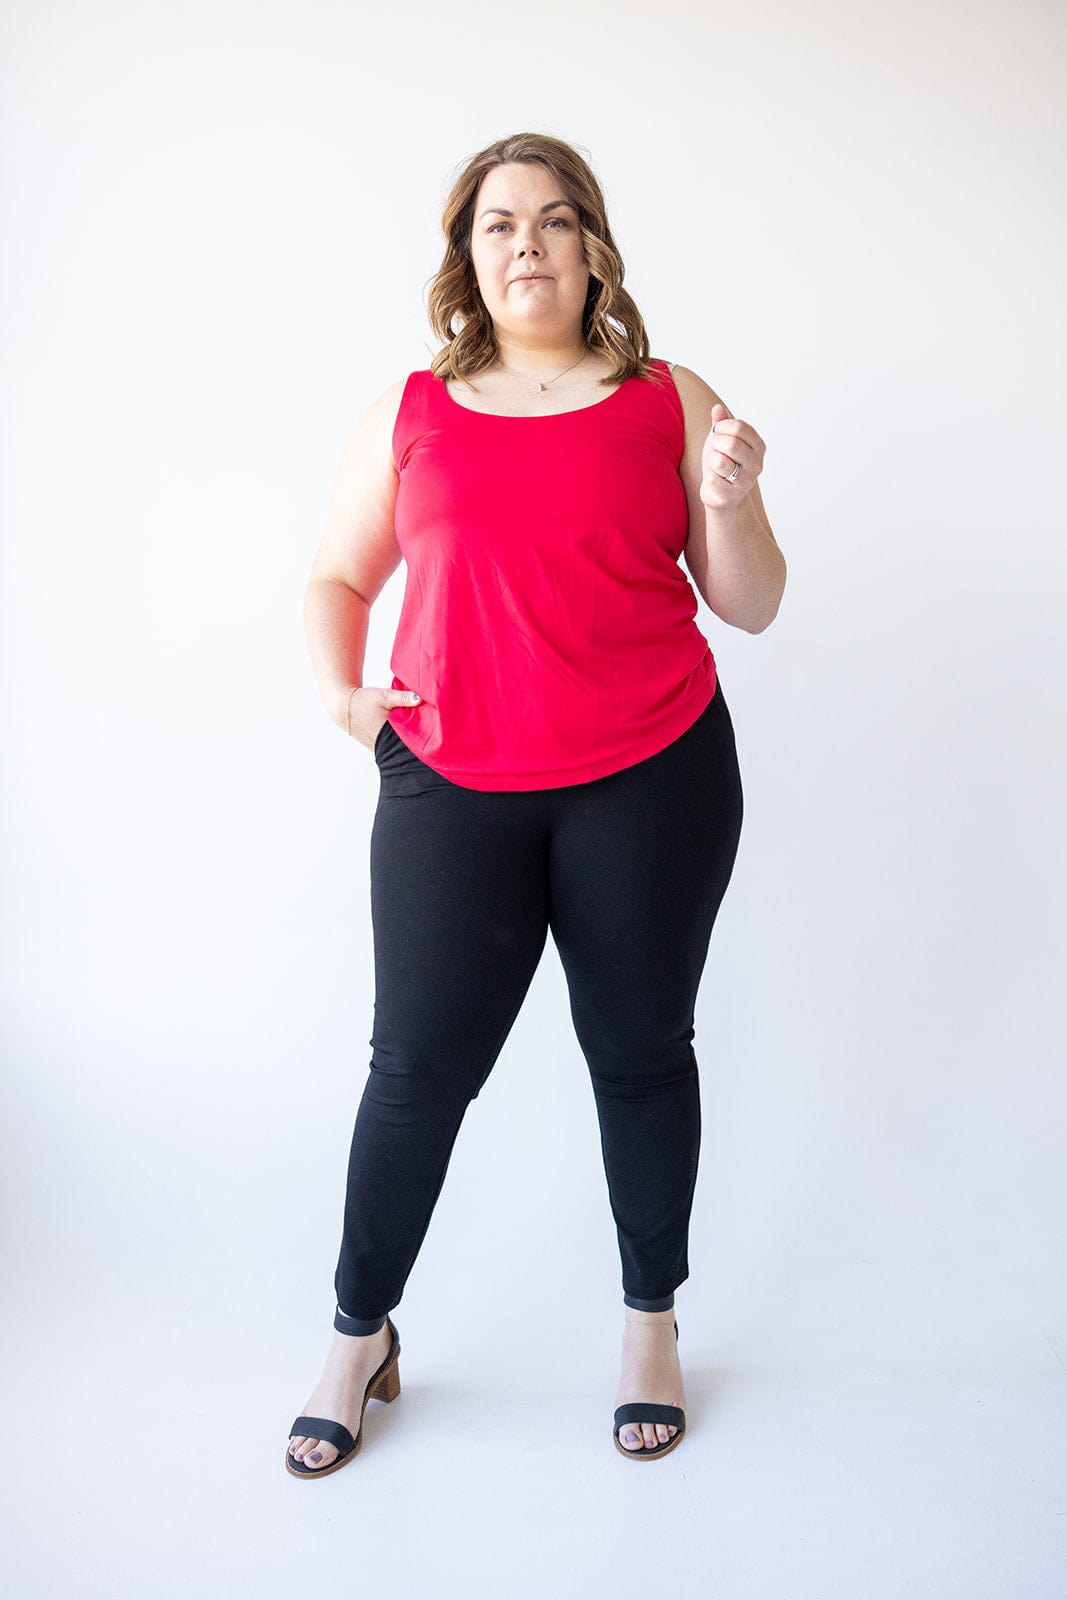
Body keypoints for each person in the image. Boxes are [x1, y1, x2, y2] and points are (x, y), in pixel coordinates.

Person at [286, 131, 785, 1475]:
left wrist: (730, 504)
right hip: (453, 784)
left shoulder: (667, 398)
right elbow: (338, 575)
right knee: (417, 1072)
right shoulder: (416, 413)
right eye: (501, 222)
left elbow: (749, 600)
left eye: (557, 221)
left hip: (653, 775)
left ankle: (649, 1325)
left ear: (592, 250)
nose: (528, 243)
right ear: (467, 254)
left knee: (637, 1048)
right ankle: (357, 1333)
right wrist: (348, 699)